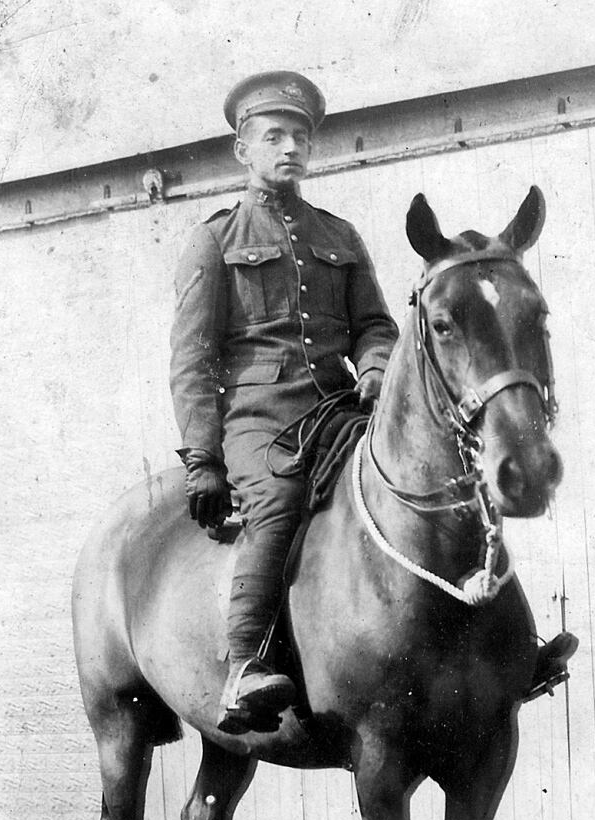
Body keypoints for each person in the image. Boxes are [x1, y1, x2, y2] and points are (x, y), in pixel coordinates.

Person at [169, 71, 399, 734]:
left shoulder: (340, 234)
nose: (290, 146)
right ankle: (245, 665)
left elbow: (375, 325)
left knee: (419, 475)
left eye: (300, 135)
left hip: (338, 407)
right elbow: (192, 361)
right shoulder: (213, 241)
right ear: (243, 149)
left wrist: (378, 368)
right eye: (274, 135)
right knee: (277, 505)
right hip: (259, 422)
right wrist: (201, 459)